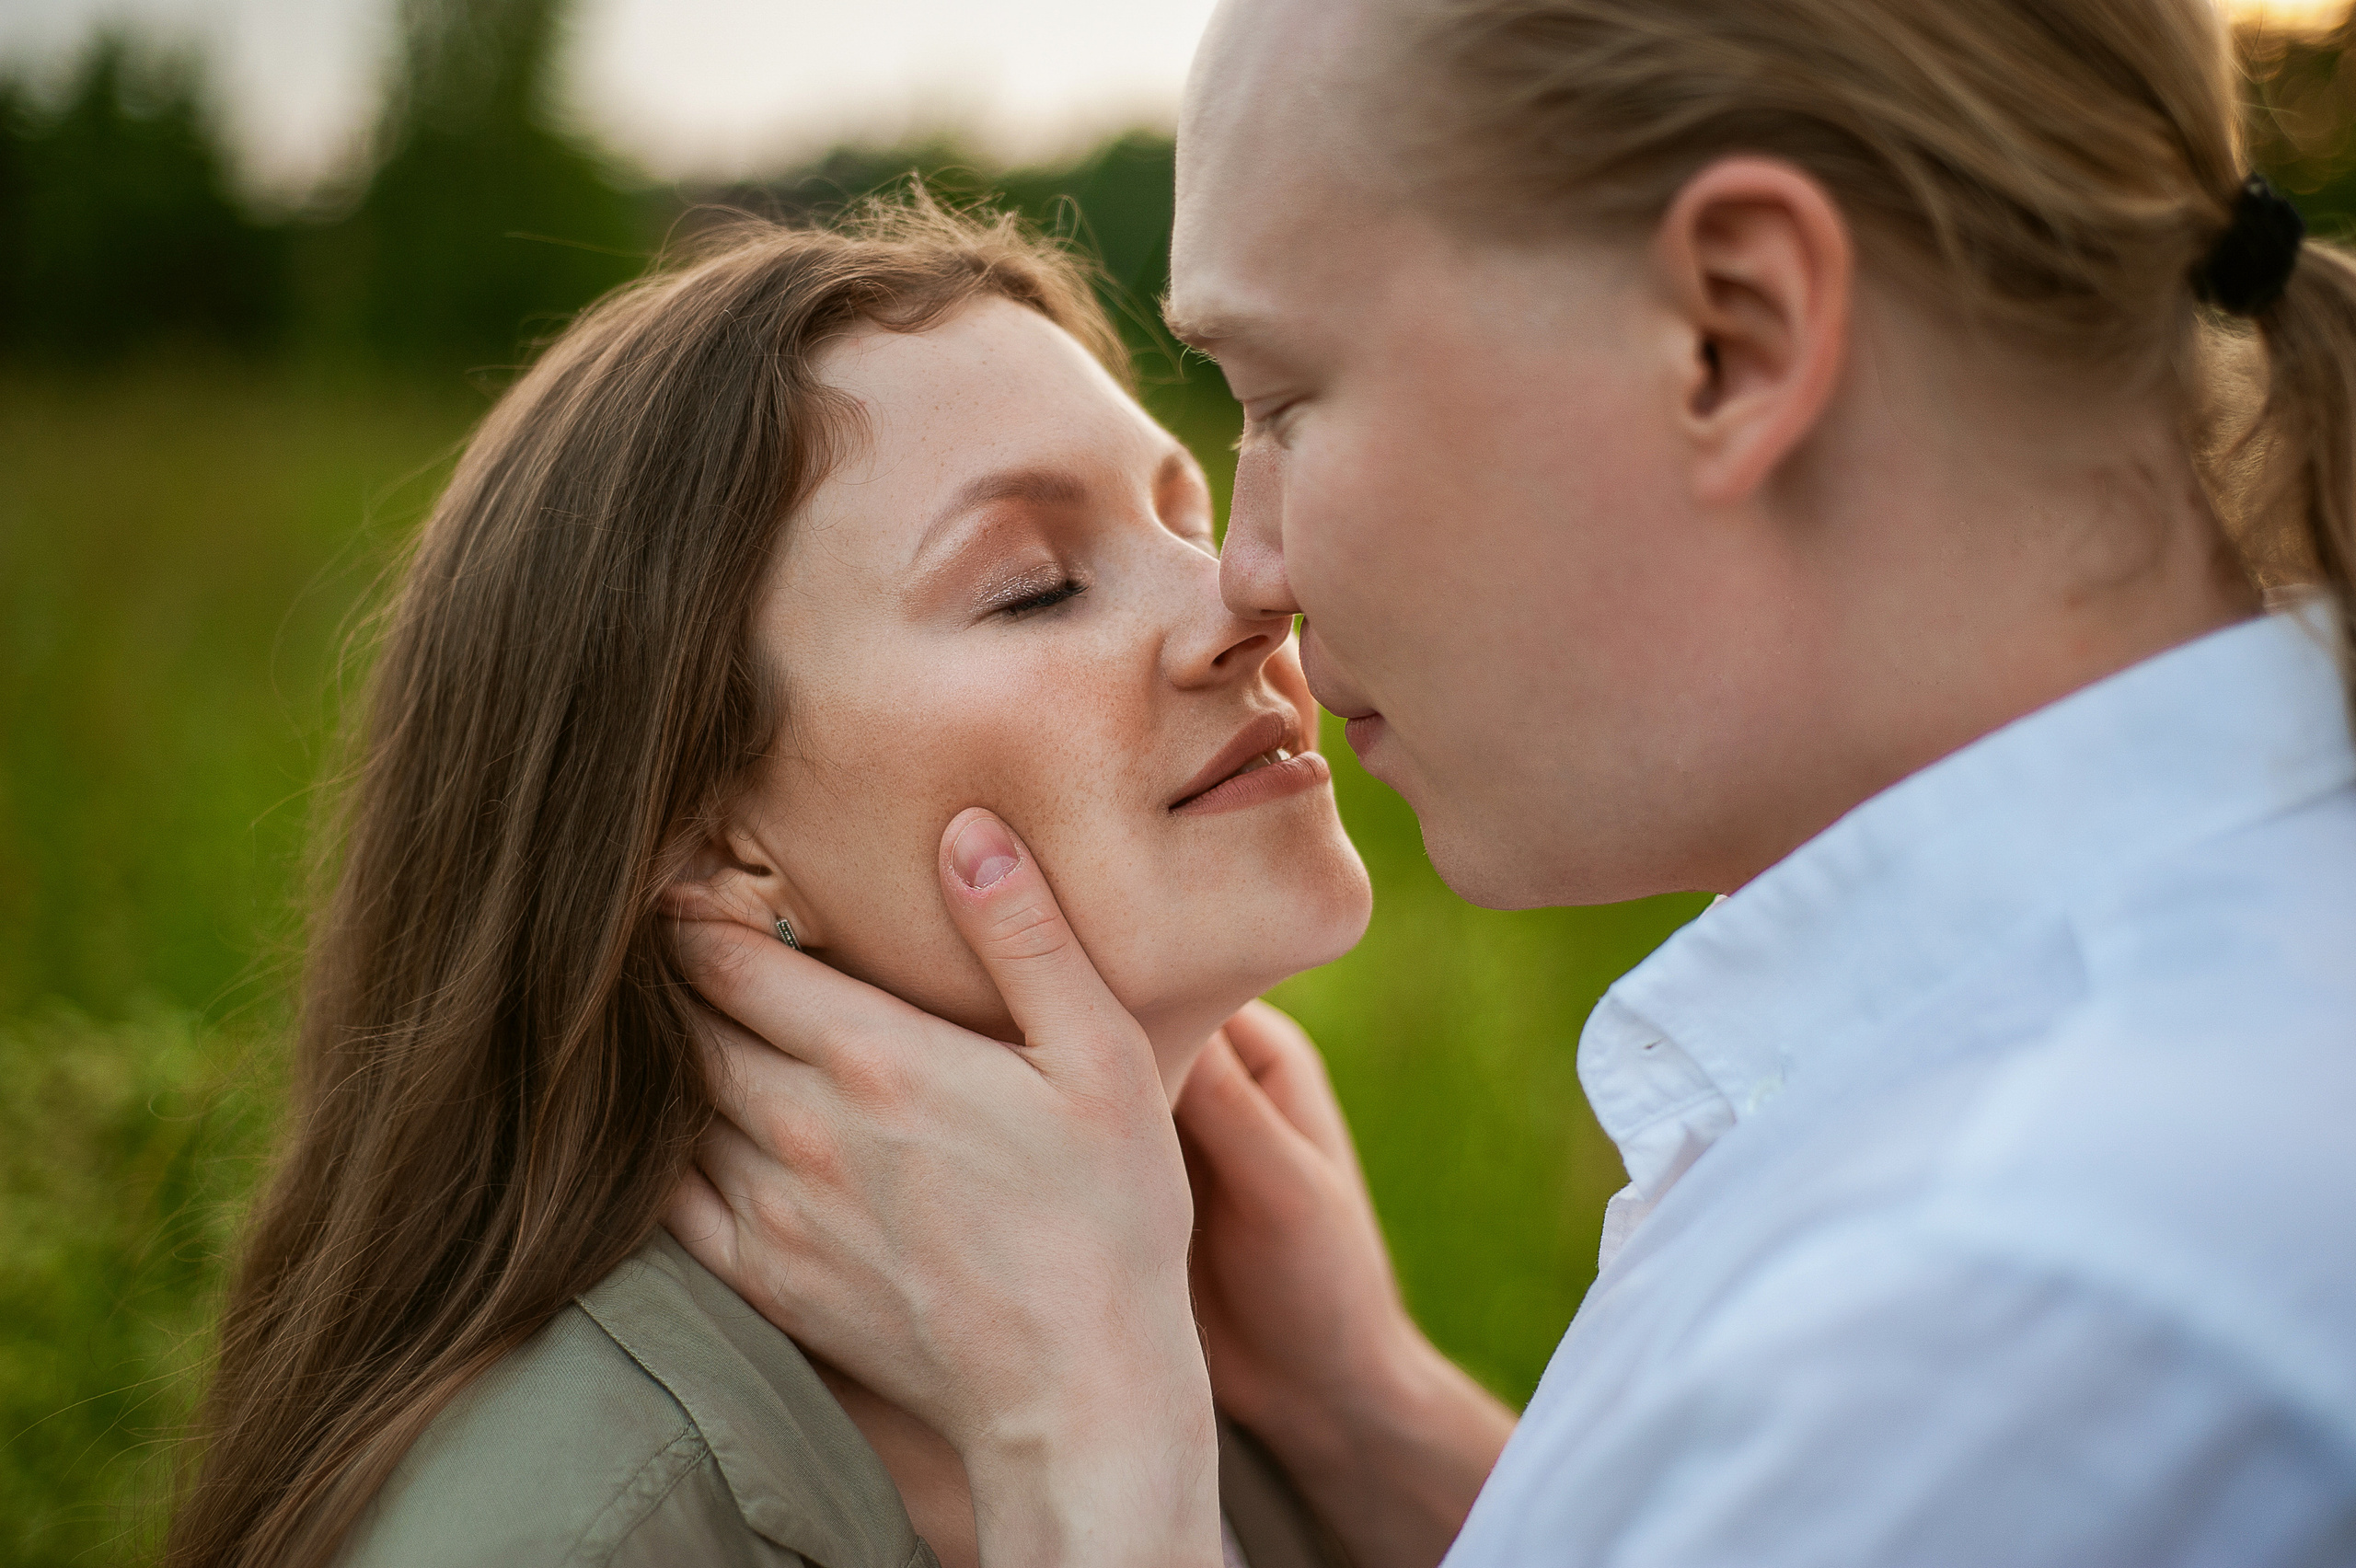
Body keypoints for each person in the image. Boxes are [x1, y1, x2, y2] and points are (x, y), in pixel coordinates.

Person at [664, 0, 2356, 1563]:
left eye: (1286, 397)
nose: (1248, 574)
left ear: (1733, 337)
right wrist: (1365, 1412)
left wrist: (1085, 1439)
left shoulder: (2010, 1321)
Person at [163, 202, 1384, 1568]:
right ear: (711, 843)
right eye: (1036, 586)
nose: (1244, 603)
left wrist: (1359, 1407)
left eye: (1191, 518)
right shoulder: (577, 1529)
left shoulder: (1241, 1365)